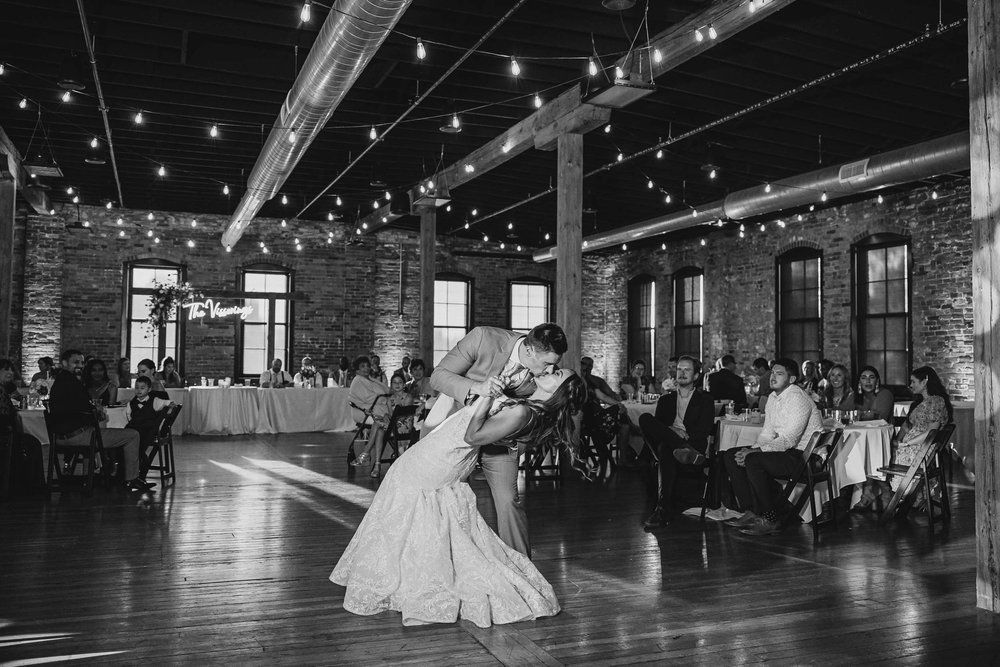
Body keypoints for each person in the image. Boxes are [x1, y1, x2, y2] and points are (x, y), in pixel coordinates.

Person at [330, 368, 587, 627]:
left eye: (558, 373)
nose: (550, 370)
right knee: (412, 504)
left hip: (445, 454)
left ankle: (411, 582)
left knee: (409, 496)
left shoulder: (524, 412)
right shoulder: (526, 404)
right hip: (441, 450)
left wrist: (488, 395)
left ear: (560, 391)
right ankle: (404, 580)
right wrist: (498, 387)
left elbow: (472, 435)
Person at [427, 323, 568, 558]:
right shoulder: (484, 338)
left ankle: (522, 568)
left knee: (508, 501)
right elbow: (438, 377)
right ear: (530, 350)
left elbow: (540, 417)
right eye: (547, 363)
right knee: (443, 500)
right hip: (453, 430)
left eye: (554, 363)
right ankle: (445, 561)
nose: (551, 370)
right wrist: (477, 387)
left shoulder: (545, 374)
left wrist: (516, 444)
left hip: (499, 441)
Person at [722, 357, 823, 536]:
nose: (773, 377)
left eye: (779, 373)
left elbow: (790, 439)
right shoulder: (772, 398)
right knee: (731, 454)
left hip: (806, 458)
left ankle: (770, 518)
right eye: (772, 373)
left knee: (753, 460)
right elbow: (767, 434)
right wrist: (749, 449)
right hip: (788, 453)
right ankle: (752, 511)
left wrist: (754, 452)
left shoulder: (797, 398)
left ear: (791, 379)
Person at [48, 349, 152, 492]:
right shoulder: (73, 383)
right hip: (78, 436)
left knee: (99, 431)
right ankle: (131, 479)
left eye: (82, 362)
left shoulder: (60, 382)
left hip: (58, 437)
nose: (80, 365)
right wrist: (97, 412)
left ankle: (91, 476)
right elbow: (88, 410)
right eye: (75, 362)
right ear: (64, 363)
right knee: (132, 435)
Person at [638, 356, 716, 528]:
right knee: (645, 418)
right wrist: (674, 431)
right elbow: (658, 428)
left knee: (666, 448)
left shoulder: (705, 400)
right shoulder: (666, 399)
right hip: (675, 444)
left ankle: (662, 511)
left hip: (692, 444)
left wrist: (679, 437)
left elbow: (702, 431)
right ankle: (681, 447)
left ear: (696, 376)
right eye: (679, 369)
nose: (681, 372)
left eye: (687, 370)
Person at [579, 356, 629, 473]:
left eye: (586, 369)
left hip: (597, 414)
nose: (584, 371)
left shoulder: (592, 383)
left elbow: (604, 396)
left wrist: (619, 404)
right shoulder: (576, 385)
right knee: (621, 422)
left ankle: (623, 457)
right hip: (589, 419)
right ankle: (629, 428)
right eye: (582, 369)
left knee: (621, 415)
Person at [348, 356, 390, 475]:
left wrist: (383, 398)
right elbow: (370, 397)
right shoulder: (358, 380)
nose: (366, 368)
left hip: (377, 412)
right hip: (363, 413)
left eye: (367, 365)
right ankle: (367, 456)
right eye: (362, 366)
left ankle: (373, 462)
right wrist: (384, 399)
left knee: (380, 428)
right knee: (379, 424)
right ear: (357, 370)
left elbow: (386, 390)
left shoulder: (371, 379)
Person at [125, 375, 176, 467]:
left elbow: (165, 402)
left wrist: (170, 404)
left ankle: (139, 461)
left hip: (148, 430)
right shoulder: (131, 403)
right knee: (125, 437)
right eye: (136, 388)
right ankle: (131, 461)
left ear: (149, 390)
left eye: (142, 388)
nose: (139, 390)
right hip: (134, 428)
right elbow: (128, 414)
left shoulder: (154, 401)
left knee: (139, 442)